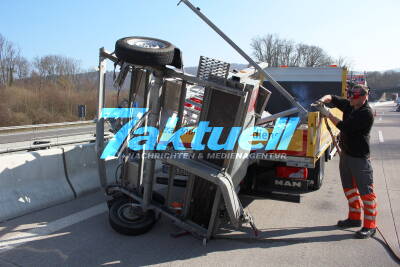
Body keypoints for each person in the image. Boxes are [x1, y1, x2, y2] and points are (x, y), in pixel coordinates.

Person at [319, 84, 377, 239]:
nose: (350, 99)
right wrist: (322, 101)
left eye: (354, 97)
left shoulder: (366, 113)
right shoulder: (351, 104)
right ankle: (354, 218)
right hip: (346, 155)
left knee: (366, 194)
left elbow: (346, 127)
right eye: (350, 96)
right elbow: (332, 97)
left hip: (359, 159)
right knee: (349, 189)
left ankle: (370, 226)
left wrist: (328, 113)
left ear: (364, 97)